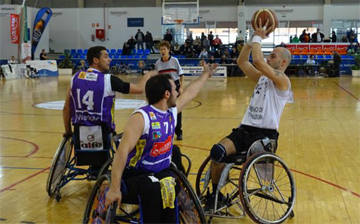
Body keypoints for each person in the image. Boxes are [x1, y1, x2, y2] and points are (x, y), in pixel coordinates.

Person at [105, 62, 217, 223]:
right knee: (155, 188)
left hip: (159, 172)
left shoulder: (169, 111)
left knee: (170, 185)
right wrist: (114, 189)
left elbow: (190, 92)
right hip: (136, 175)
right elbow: (122, 151)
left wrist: (206, 74)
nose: (178, 92)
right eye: (174, 89)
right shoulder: (141, 117)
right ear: (166, 94)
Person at [205, 19, 293, 210]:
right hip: (244, 130)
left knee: (227, 154)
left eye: (273, 56)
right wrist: (250, 40)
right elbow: (242, 61)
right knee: (217, 151)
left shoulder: (282, 81)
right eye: (269, 55)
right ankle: (215, 195)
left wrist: (258, 38)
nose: (269, 58)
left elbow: (259, 61)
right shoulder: (262, 78)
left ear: (283, 62)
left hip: (264, 136)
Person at [62, 46, 156, 176]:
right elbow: (140, 89)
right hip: (103, 132)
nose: (110, 59)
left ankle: (93, 169)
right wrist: (148, 75)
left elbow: (67, 108)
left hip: (80, 133)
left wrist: (68, 132)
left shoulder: (75, 78)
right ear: (96, 60)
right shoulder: (108, 80)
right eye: (105, 56)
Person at [155, 41, 185, 140]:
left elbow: (181, 75)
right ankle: (165, 131)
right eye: (161, 49)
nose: (162, 51)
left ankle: (178, 131)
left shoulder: (174, 61)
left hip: (174, 85)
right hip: (163, 87)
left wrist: (181, 87)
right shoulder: (158, 63)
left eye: (164, 49)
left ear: (168, 50)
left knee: (176, 109)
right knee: (163, 108)